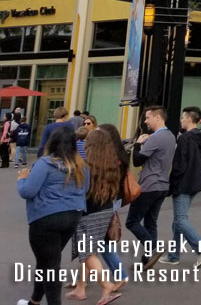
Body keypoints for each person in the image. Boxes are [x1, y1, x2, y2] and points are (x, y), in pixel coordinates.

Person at [16, 126, 89, 305]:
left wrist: (22, 179)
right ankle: (34, 301)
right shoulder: (81, 165)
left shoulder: (45, 163)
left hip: (46, 218)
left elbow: (27, 191)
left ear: (52, 142)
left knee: (50, 265)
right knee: (47, 261)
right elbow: (85, 190)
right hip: (72, 216)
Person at [68, 129, 124, 305]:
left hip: (88, 213)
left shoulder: (85, 166)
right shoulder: (112, 165)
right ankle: (80, 287)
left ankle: (106, 284)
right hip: (106, 211)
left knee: (87, 252)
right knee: (88, 251)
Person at [161, 106, 201, 267]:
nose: (181, 121)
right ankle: (173, 255)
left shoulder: (184, 138)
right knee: (178, 220)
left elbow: (179, 165)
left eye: (183, 118)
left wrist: (172, 183)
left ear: (189, 119)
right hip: (196, 181)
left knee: (180, 220)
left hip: (183, 182)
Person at [126, 106, 176, 269]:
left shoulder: (155, 138)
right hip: (162, 185)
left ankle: (153, 247)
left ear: (158, 118)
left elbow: (137, 160)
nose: (145, 121)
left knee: (132, 221)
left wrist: (139, 144)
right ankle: (147, 260)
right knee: (150, 222)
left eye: (148, 118)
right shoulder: (170, 136)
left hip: (149, 184)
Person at [97, 123, 129, 284]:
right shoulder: (121, 154)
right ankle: (82, 281)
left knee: (100, 242)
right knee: (100, 242)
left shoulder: (110, 157)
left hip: (108, 199)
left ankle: (121, 275)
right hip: (116, 198)